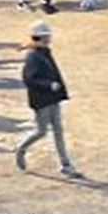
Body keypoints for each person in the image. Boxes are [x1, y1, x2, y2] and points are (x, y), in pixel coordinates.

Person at [15, 22, 81, 179]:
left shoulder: (43, 52)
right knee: (41, 131)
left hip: (52, 98)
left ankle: (66, 165)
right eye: (47, 35)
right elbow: (29, 79)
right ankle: (21, 149)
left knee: (58, 131)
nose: (50, 37)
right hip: (41, 101)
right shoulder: (33, 56)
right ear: (42, 37)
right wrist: (49, 85)